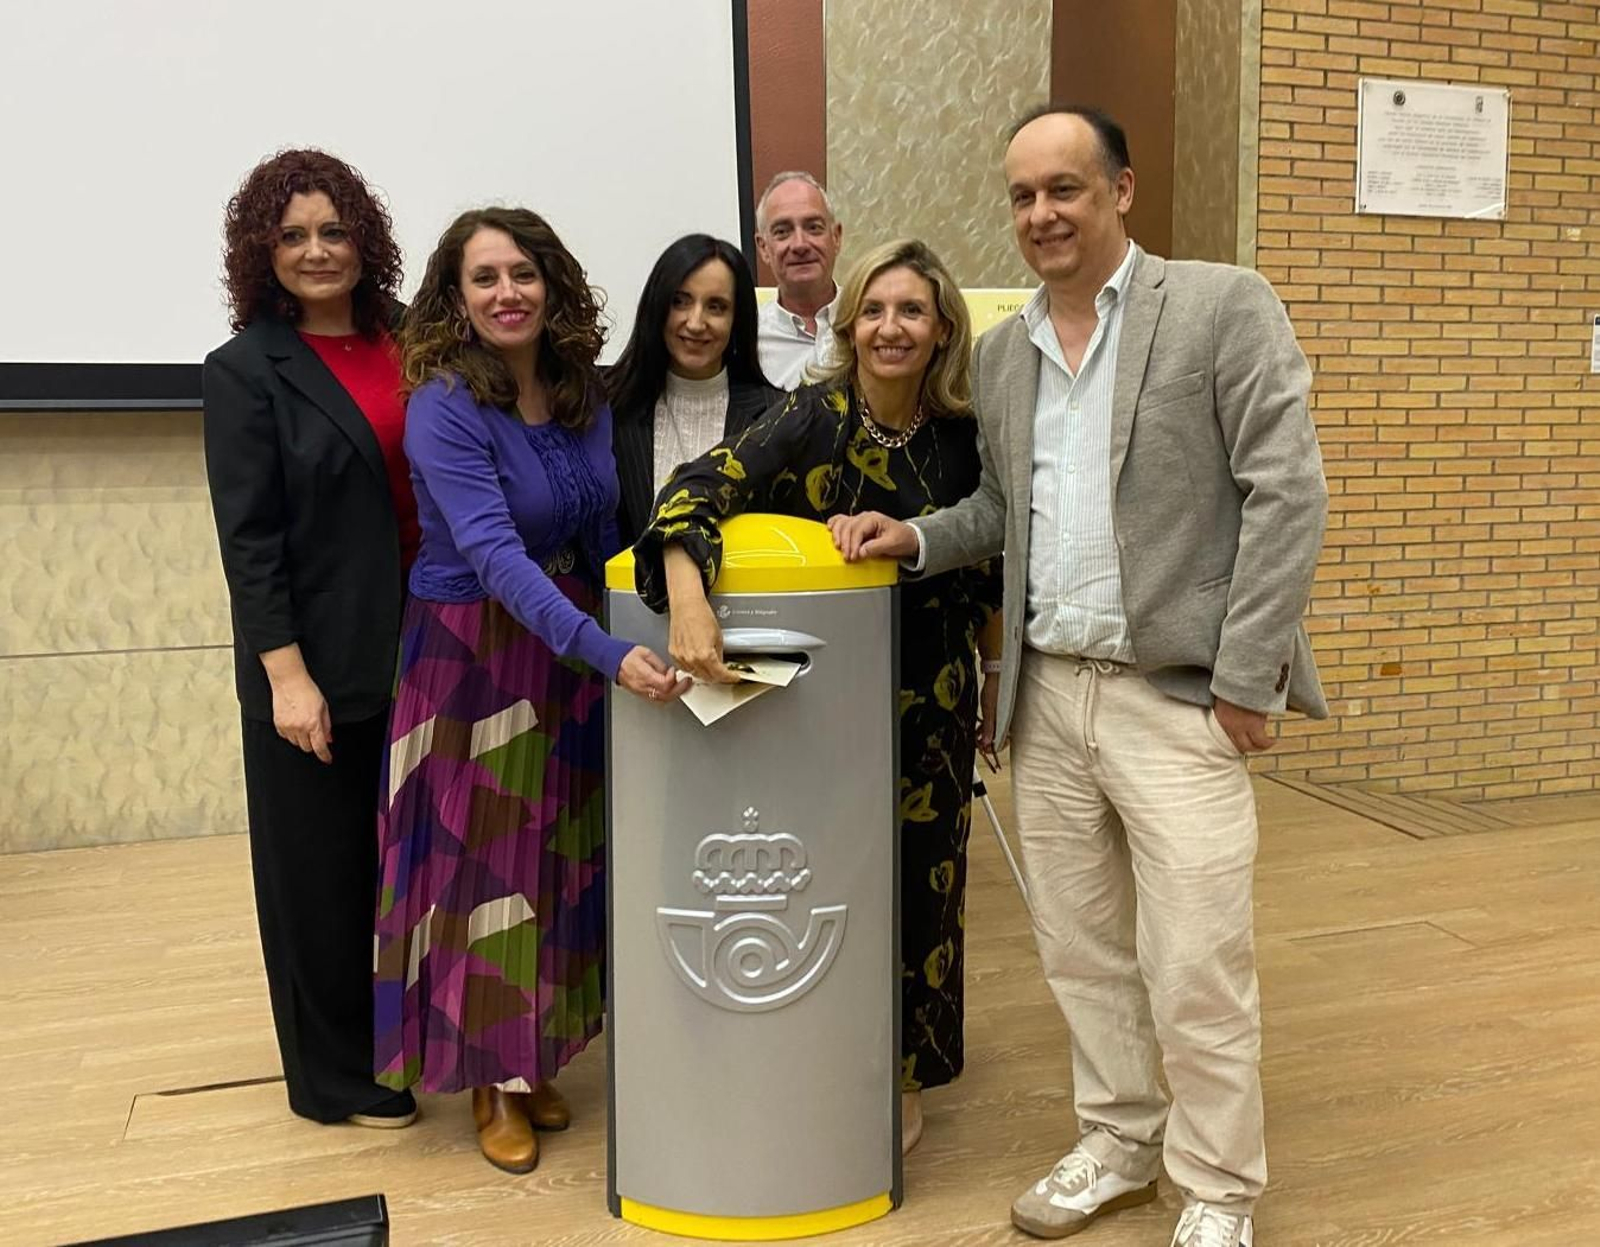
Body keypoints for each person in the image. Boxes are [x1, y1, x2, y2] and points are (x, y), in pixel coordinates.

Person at [831, 106, 1329, 1247]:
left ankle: (1215, 1186)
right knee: (1081, 950)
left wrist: (1248, 677)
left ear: (1122, 189)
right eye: (1022, 195)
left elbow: (1284, 492)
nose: (1041, 213)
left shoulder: (1217, 306)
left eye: (1064, 188)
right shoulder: (1004, 352)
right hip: (1048, 696)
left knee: (1194, 958)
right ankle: (1119, 1136)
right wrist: (914, 536)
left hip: (1179, 697)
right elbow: (1007, 510)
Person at [634, 238, 1003, 1157]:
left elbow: (993, 562)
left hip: (934, 699)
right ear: (849, 325)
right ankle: (810, 1045)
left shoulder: (966, 432)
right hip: (823, 705)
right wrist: (686, 602)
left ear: (943, 328)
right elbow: (691, 492)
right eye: (874, 311)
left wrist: (993, 681)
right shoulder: (811, 416)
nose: (890, 327)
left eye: (911, 311)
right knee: (831, 876)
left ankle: (904, 1077)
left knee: (926, 886)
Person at [373, 207, 686, 1174]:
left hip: (575, 657)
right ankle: (486, 1079)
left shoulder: (577, 391)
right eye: (484, 278)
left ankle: (533, 1053)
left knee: (559, 859)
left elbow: (602, 528)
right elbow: (497, 556)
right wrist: (604, 649)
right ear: (456, 298)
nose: (506, 292)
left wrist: (662, 622)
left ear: (550, 284)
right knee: (485, 877)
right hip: (477, 658)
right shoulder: (442, 404)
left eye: (522, 273)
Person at [202, 149, 420, 1130]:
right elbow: (250, 545)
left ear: (362, 238)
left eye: (333, 230)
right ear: (262, 251)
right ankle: (332, 1077)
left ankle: (417, 1038)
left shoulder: (416, 341)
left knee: (410, 867)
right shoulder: (246, 371)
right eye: (292, 235)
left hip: (433, 644)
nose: (317, 250)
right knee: (321, 882)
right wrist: (285, 677)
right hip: (317, 668)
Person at [607, 233, 782, 545]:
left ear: (736, 318)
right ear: (657, 307)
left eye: (716, 306)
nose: (696, 322)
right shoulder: (611, 408)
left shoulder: (776, 416)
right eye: (680, 302)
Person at [753, 171, 844, 389]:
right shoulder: (746, 343)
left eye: (813, 228)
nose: (800, 245)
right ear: (763, 247)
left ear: (836, 237)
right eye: (783, 231)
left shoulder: (871, 326)